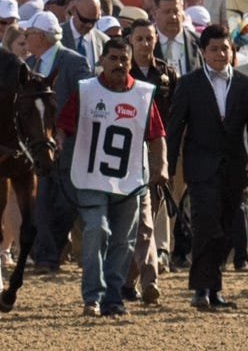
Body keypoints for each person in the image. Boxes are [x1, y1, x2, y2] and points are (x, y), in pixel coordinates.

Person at [57, 28, 165, 318]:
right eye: (114, 58)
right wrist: (58, 142)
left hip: (130, 180)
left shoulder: (143, 95)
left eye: (124, 59)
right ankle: (93, 295)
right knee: (96, 230)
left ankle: (113, 297)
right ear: (102, 60)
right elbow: (63, 125)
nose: (119, 64)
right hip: (91, 177)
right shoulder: (86, 90)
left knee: (122, 240)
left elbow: (156, 136)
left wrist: (160, 167)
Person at [165, 20, 248, 310]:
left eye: (226, 48)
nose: (221, 54)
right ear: (202, 52)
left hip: (235, 169)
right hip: (201, 169)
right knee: (206, 226)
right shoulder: (188, 84)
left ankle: (213, 287)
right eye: (214, 49)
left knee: (227, 230)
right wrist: (169, 168)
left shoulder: (246, 85)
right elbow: (175, 129)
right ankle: (202, 288)